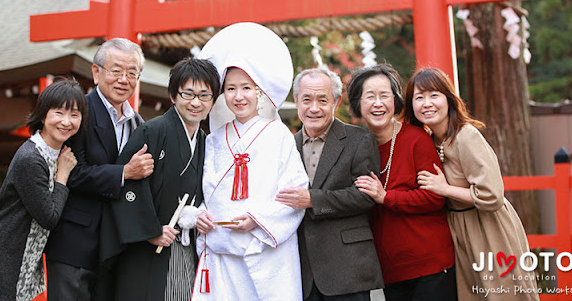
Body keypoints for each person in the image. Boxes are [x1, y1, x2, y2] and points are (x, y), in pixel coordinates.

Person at [192, 22, 309, 300]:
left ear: (259, 91)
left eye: (246, 87)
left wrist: (258, 220)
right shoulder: (215, 139)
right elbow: (204, 188)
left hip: (266, 246)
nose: (238, 96)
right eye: (230, 89)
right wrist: (202, 214)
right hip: (222, 247)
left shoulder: (279, 134)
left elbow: (295, 190)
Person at [407, 67, 539, 301]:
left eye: (434, 95)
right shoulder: (429, 141)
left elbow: (492, 195)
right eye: (419, 97)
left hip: (488, 226)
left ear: (448, 99)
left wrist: (444, 188)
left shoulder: (465, 136)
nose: (427, 103)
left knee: (502, 294)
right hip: (459, 230)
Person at [100, 57, 220, 300]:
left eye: (204, 95)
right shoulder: (152, 131)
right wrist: (150, 231)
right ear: (174, 96)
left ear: (213, 101)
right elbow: (128, 187)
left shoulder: (206, 142)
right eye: (188, 93)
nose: (195, 102)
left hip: (186, 245)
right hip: (148, 248)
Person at [45, 38, 155, 300]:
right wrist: (124, 173)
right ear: (96, 73)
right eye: (116, 70)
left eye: (132, 73)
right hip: (75, 241)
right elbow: (71, 173)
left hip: (115, 243)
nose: (123, 79)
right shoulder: (77, 112)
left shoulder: (138, 123)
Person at [0, 76, 85, 301]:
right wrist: (62, 176)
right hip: (2, 263)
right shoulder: (31, 158)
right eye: (59, 112)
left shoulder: (58, 152)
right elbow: (48, 217)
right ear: (43, 114)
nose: (66, 121)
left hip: (18, 262)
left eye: (75, 114)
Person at [346, 64, 456, 301]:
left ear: (395, 100)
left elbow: (435, 197)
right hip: (390, 270)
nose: (378, 103)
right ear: (358, 103)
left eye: (384, 95)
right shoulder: (355, 146)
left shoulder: (416, 139)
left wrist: (386, 197)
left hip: (430, 265)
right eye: (370, 96)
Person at [276, 66, 383, 301]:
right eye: (306, 99)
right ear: (296, 101)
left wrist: (313, 200)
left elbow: (365, 196)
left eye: (322, 100)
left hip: (347, 267)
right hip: (302, 269)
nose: (314, 108)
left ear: (335, 102)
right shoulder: (285, 147)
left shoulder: (359, 140)